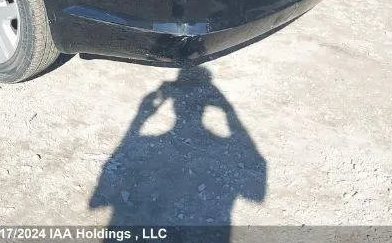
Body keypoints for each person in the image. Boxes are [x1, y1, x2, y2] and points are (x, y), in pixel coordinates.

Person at [90, 66, 266, 232]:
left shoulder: (147, 146)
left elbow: (99, 198)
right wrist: (228, 110)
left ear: (173, 106)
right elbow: (256, 191)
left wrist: (140, 117)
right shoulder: (223, 151)